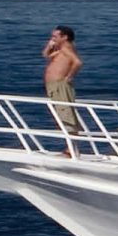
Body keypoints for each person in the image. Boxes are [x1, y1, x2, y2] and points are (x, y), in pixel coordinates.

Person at [42, 24, 83, 154]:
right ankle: (70, 148)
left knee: (66, 115)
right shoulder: (61, 48)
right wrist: (49, 46)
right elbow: (46, 55)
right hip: (54, 86)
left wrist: (69, 76)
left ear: (64, 37)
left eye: (55, 36)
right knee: (61, 115)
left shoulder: (66, 48)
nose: (52, 38)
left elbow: (77, 62)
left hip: (60, 85)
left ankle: (71, 149)